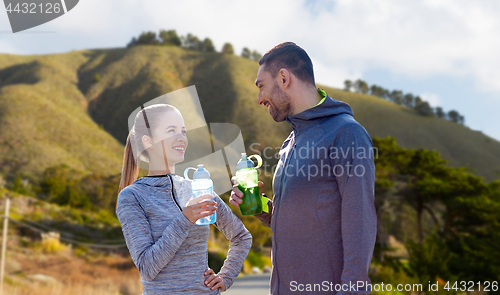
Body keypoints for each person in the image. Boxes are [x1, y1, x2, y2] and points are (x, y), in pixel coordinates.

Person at [230, 42, 377, 295]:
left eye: (261, 86)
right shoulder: (291, 141)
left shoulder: (346, 133)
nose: (259, 99)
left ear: (284, 78)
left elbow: (360, 223)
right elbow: (301, 217)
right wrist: (259, 205)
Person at [116, 104, 252, 294]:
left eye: (183, 131)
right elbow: (147, 268)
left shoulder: (198, 188)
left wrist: (225, 276)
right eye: (171, 130)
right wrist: (185, 219)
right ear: (148, 141)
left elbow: (241, 236)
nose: (181, 138)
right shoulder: (132, 197)